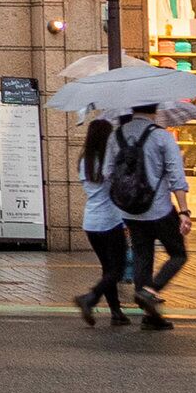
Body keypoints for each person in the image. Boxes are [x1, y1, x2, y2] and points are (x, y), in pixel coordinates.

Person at [112, 106, 192, 328]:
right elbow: (177, 176)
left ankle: (150, 316)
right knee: (178, 254)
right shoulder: (161, 136)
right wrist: (184, 211)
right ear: (155, 109)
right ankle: (151, 291)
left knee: (142, 257)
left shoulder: (116, 135)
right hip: (159, 209)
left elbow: (108, 172)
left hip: (130, 210)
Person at [75, 117, 133, 329]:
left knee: (108, 268)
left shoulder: (84, 160)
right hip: (111, 219)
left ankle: (116, 312)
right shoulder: (109, 160)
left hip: (91, 221)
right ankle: (90, 298)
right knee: (117, 269)